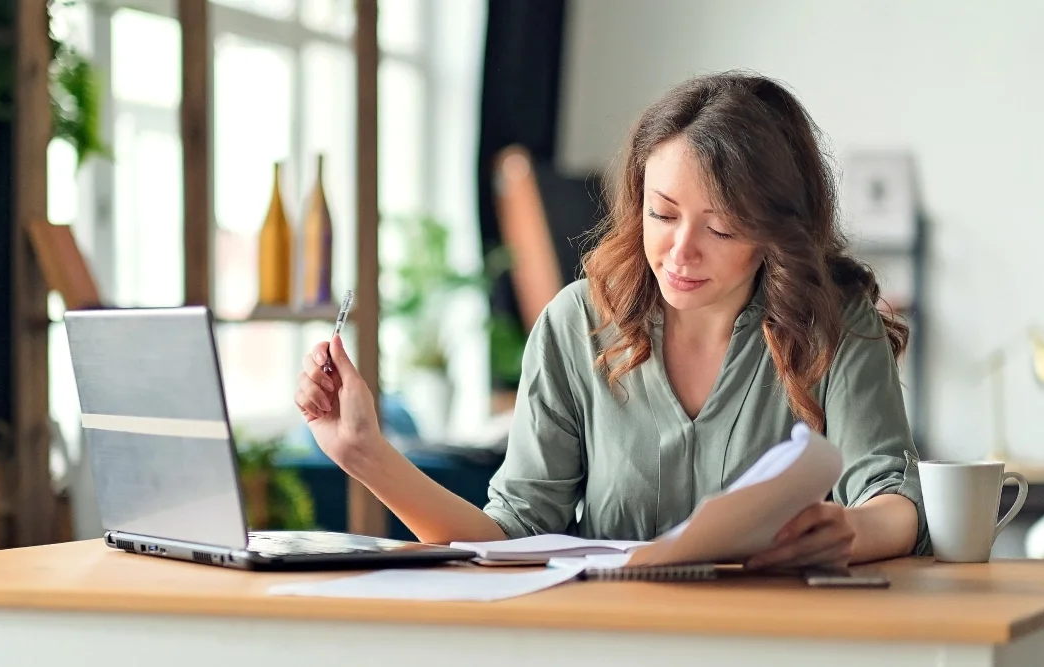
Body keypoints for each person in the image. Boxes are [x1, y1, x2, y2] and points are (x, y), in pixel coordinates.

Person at [293, 71, 929, 570]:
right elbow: (509, 538)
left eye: (722, 227)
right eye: (662, 213)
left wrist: (847, 530)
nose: (680, 253)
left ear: (776, 231)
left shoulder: (836, 321)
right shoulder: (575, 326)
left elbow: (894, 502)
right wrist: (363, 452)